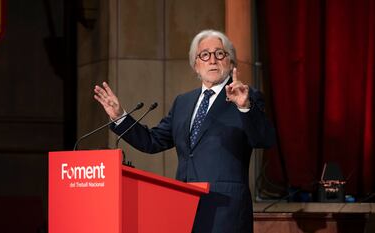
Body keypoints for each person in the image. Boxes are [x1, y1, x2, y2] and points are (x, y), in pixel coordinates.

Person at [93, 29, 275, 233]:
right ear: (195, 65)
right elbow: (152, 141)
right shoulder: (183, 102)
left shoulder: (246, 96)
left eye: (220, 54)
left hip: (226, 210)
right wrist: (120, 116)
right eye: (205, 55)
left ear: (230, 62)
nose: (212, 60)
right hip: (184, 207)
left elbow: (264, 139)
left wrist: (244, 106)